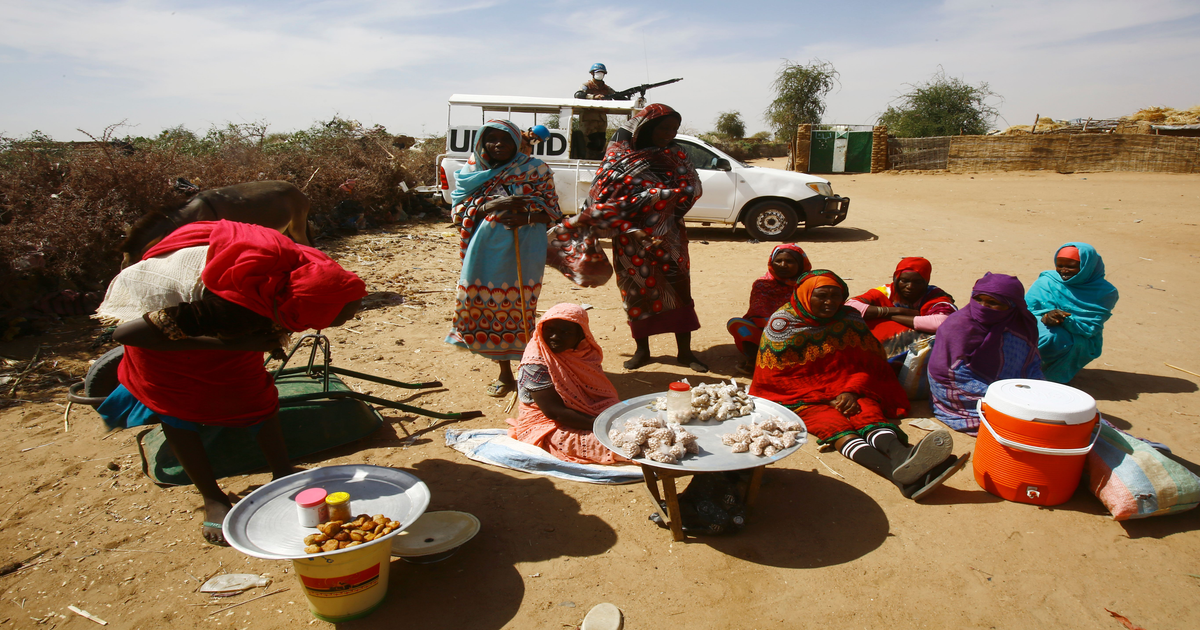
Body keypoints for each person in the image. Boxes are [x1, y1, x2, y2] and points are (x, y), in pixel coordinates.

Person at [97, 220, 367, 545]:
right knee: (179, 410)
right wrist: (237, 344)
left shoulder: (298, 280)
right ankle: (212, 497)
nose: (355, 317)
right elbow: (126, 335)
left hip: (232, 322)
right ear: (304, 311)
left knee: (257, 396)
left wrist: (252, 343)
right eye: (347, 314)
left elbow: (268, 323)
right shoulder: (230, 308)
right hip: (155, 331)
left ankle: (283, 473)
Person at [749, 270, 966, 501]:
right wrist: (828, 397)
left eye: (836, 296)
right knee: (832, 425)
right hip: (800, 396)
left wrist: (850, 390)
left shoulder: (849, 318)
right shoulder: (782, 326)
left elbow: (869, 361)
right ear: (804, 295)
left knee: (868, 411)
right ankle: (901, 474)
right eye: (821, 296)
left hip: (848, 386)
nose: (830, 302)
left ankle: (904, 457)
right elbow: (776, 380)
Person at [552, 104, 707, 372]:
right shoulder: (618, 158)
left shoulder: (677, 155)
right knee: (636, 292)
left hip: (668, 235)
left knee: (679, 290)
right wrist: (651, 200)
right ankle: (642, 351)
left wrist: (654, 200)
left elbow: (692, 188)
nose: (669, 134)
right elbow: (600, 200)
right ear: (646, 127)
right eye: (663, 128)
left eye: (674, 129)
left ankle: (685, 352)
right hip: (628, 238)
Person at [445, 120, 562, 397]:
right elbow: (457, 211)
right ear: (482, 142)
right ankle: (504, 374)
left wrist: (526, 217)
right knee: (488, 304)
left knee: (521, 306)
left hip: (526, 244)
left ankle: (528, 371)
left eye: (505, 139)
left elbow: (554, 211)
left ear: (516, 140)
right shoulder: (473, 169)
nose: (498, 145)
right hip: (484, 248)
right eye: (492, 139)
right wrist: (489, 205)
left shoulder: (535, 168)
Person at [506, 303, 628, 465]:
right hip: (549, 423)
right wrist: (604, 424)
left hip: (589, 414)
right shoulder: (535, 363)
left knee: (635, 422)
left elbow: (597, 395)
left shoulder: (585, 354)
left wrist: (612, 420)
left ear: (581, 335)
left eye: (565, 332)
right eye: (550, 330)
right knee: (620, 443)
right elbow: (555, 412)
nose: (555, 337)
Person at [928, 272, 1044, 434]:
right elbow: (946, 374)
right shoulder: (958, 325)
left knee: (1045, 412)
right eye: (978, 299)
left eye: (992, 302)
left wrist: (1033, 391)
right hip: (963, 390)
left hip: (1011, 387)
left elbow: (1031, 363)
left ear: (1011, 306)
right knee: (1015, 423)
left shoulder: (1021, 325)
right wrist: (1001, 395)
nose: (983, 306)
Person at [1026, 243, 1119, 383]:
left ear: (1088, 266)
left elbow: (1090, 327)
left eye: (1071, 266)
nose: (1064, 271)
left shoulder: (1105, 292)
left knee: (1052, 337)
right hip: (1042, 326)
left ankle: (1047, 375)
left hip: (1078, 335)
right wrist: (1045, 317)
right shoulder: (1047, 281)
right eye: (1059, 265)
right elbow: (1025, 312)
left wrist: (1064, 320)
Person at [846, 256, 957, 360]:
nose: (910, 287)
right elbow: (850, 306)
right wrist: (898, 311)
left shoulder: (935, 296)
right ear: (896, 279)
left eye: (917, 282)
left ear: (926, 282)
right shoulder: (887, 292)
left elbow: (942, 322)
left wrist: (891, 317)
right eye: (904, 281)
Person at [727, 244, 811, 374]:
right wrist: (779, 326)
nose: (783, 265)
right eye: (778, 261)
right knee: (737, 325)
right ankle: (756, 358)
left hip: (800, 332)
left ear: (800, 264)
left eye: (789, 261)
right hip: (767, 330)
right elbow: (758, 312)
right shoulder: (763, 284)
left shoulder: (809, 284)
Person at [574, 63, 618, 160]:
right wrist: (593, 97)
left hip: (601, 119)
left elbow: (616, 95)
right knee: (589, 142)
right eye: (598, 72)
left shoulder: (606, 88)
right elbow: (578, 95)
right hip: (588, 119)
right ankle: (587, 161)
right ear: (592, 73)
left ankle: (597, 160)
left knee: (600, 143)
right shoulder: (587, 85)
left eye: (602, 73)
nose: (600, 74)